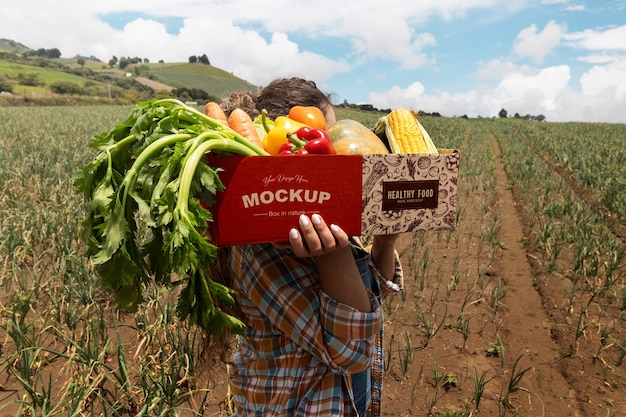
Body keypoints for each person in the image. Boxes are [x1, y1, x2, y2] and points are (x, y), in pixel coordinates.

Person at [207, 77, 403, 416]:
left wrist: (386, 240)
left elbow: (373, 291)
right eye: (327, 137)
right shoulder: (259, 249)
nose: (336, 150)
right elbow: (352, 352)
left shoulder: (322, 215)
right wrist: (334, 255)